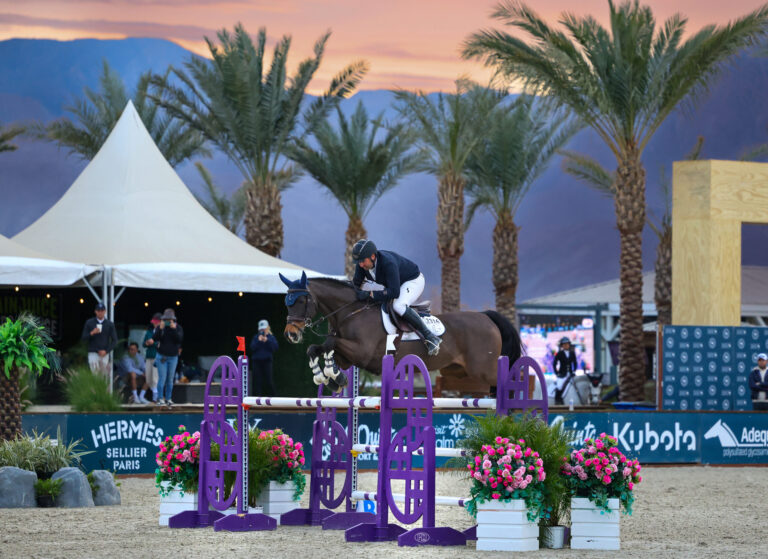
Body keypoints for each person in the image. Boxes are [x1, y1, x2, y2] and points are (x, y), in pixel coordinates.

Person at [351, 239, 441, 355]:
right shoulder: (362, 266)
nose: (360, 264)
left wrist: (370, 294)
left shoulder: (388, 263)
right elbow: (355, 285)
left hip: (413, 281)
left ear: (373, 256)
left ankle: (431, 337)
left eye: (363, 261)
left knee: (398, 305)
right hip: (396, 284)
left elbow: (394, 292)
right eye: (358, 262)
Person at [152, 308, 184, 408]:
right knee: (162, 378)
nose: (168, 322)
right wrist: (160, 329)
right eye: (166, 320)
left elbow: (179, 340)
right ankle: (160, 398)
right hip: (162, 356)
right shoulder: (160, 327)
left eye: (170, 320)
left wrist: (174, 329)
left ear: (174, 320)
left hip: (173, 357)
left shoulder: (178, 328)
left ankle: (168, 398)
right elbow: (155, 339)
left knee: (170, 379)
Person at [80, 302, 117, 378]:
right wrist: (92, 333)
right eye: (98, 310)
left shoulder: (109, 324)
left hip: (104, 353)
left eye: (102, 310)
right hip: (93, 352)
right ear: (95, 311)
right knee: (95, 375)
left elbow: (115, 340)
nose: (100, 312)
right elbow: (83, 338)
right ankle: (94, 390)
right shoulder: (89, 322)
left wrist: (106, 351)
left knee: (103, 376)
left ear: (105, 311)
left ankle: (101, 390)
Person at [249, 319, 279, 396]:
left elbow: (275, 348)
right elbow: (252, 347)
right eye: (261, 329)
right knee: (257, 381)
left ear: (267, 329)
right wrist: (259, 341)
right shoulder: (256, 337)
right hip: (256, 361)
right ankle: (257, 398)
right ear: (259, 329)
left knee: (269, 381)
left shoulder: (271, 338)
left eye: (264, 329)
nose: (263, 330)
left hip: (267, 361)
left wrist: (267, 341)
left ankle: (273, 397)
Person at [553, 336, 578, 405]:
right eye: (564, 344)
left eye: (567, 344)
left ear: (569, 345)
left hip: (570, 373)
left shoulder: (572, 353)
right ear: (562, 346)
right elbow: (554, 363)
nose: (566, 345)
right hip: (562, 374)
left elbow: (575, 363)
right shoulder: (559, 353)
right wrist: (556, 373)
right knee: (559, 386)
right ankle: (557, 399)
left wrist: (574, 371)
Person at [142, 313, 161, 402]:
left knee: (155, 377)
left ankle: (155, 397)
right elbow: (143, 344)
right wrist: (146, 343)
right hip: (149, 356)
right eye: (154, 322)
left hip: (157, 356)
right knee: (148, 378)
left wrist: (152, 343)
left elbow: (162, 344)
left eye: (157, 322)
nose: (155, 323)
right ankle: (155, 395)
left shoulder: (162, 331)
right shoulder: (149, 331)